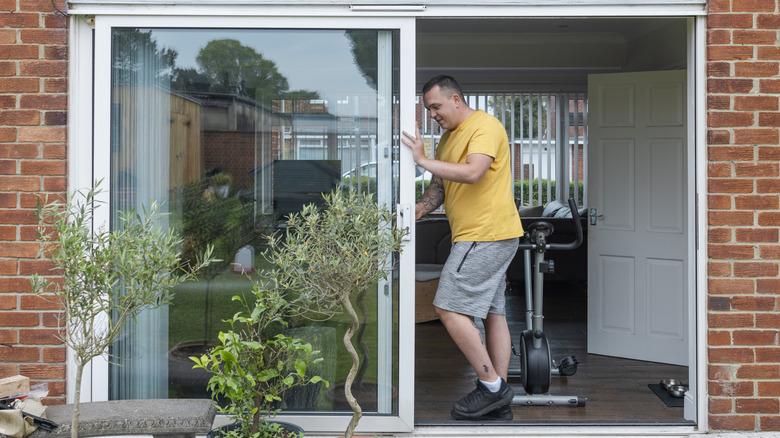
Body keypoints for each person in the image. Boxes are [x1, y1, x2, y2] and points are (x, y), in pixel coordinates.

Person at [402, 75, 523, 421]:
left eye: (436, 107)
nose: (433, 115)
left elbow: (473, 173)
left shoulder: (485, 126)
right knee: (493, 312)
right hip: (489, 235)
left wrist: (421, 160)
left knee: (447, 308)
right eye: (428, 109)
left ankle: (490, 386)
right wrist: (417, 210)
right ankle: (499, 399)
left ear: (456, 99)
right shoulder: (446, 139)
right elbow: (440, 187)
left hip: (484, 234)